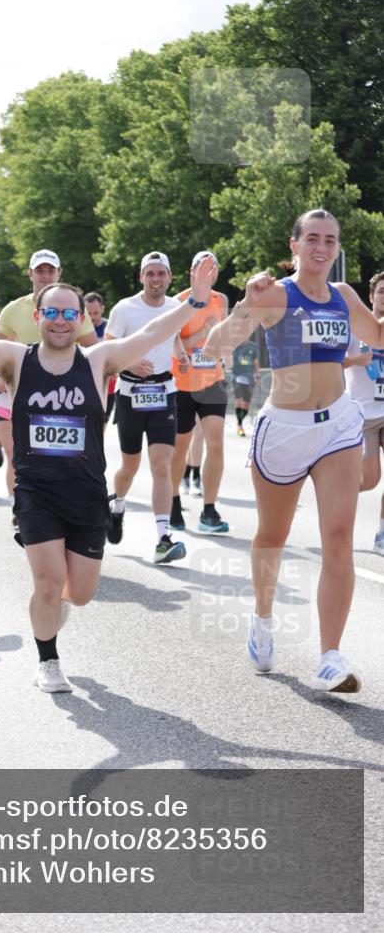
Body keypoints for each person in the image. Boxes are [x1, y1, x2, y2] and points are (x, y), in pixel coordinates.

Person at [0, 254, 216, 693]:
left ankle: (55, 607)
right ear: (38, 317)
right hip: (37, 491)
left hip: (87, 493)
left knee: (82, 592)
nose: (59, 321)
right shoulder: (16, 360)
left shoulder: (99, 361)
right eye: (51, 313)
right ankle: (48, 660)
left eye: (68, 313)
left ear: (80, 319)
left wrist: (195, 302)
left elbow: (153, 332)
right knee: (47, 580)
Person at [205, 209, 384, 694]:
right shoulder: (276, 296)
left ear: (337, 248)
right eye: (313, 239)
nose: (321, 248)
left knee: (340, 535)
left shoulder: (346, 297)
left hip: (339, 428)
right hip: (283, 429)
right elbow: (215, 345)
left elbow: (380, 336)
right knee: (273, 533)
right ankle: (263, 617)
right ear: (295, 246)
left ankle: (329, 656)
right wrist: (245, 303)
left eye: (330, 240)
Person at [0, 250, 97, 509]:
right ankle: (20, 509)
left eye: (51, 270)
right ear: (30, 274)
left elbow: (94, 351)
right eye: (40, 270)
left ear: (59, 273)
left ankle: (57, 508)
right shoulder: (15, 309)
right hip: (20, 396)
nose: (45, 275)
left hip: (62, 397)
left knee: (58, 456)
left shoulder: (73, 308)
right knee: (19, 456)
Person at [104, 251, 190, 563]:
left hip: (164, 392)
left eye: (161, 274)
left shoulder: (176, 307)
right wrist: (129, 360)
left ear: (169, 277)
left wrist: (180, 354)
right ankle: (117, 505)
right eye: (150, 274)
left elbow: (175, 336)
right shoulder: (125, 309)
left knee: (161, 466)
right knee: (130, 466)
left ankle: (162, 539)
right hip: (130, 393)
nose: (156, 279)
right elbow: (107, 348)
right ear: (142, 277)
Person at [169, 251, 230, 534]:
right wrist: (203, 333)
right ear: (192, 272)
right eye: (202, 267)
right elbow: (173, 341)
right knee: (181, 446)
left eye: (213, 267)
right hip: (182, 383)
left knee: (216, 442)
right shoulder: (179, 302)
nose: (208, 272)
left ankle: (209, 509)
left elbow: (223, 339)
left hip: (213, 380)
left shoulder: (221, 300)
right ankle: (172, 501)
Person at [343, 270, 384, 555]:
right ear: (371, 297)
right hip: (364, 415)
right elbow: (332, 362)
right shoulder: (354, 328)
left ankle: (382, 533)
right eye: (381, 291)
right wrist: (358, 358)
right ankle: (335, 492)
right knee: (370, 480)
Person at [84, 292, 117, 423]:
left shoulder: (111, 328)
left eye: (96, 313)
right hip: (85, 382)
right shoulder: (76, 328)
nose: (92, 317)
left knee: (102, 423)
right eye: (88, 313)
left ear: (103, 309)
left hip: (107, 384)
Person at [231, 338, 260, 436]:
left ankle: (240, 421)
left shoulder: (253, 346)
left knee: (246, 405)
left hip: (249, 378)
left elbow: (256, 363)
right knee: (239, 401)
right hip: (236, 377)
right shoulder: (233, 345)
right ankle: (240, 426)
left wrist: (257, 376)